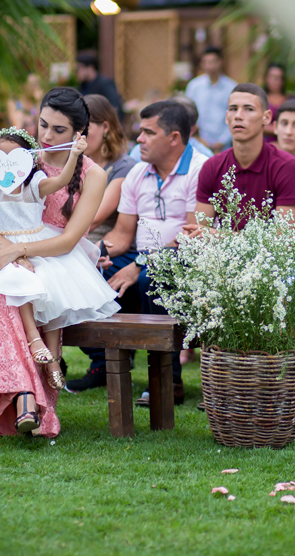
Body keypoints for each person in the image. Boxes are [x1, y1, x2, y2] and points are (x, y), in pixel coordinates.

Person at [0, 87, 108, 436]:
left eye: (59, 130)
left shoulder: (92, 173)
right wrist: (8, 249)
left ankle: (34, 399)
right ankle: (20, 397)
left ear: (78, 135)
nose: (46, 135)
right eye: (43, 125)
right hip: (14, 249)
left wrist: (19, 252)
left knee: (26, 295)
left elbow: (71, 238)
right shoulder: (19, 159)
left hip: (61, 258)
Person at [66, 100, 207, 400]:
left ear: (174, 138)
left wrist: (142, 264)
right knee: (82, 273)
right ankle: (104, 362)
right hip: (141, 256)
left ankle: (168, 380)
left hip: (186, 261)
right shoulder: (138, 173)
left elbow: (193, 236)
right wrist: (96, 253)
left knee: (149, 278)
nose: (139, 139)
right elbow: (122, 234)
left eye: (147, 132)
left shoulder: (200, 170)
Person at [195, 83, 295, 229]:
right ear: (227, 117)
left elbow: (282, 239)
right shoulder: (212, 166)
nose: (239, 116)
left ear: (266, 117)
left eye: (249, 109)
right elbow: (200, 232)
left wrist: (220, 237)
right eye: (233, 109)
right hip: (222, 251)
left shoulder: (286, 166)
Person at [83, 95, 136, 244]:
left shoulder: (124, 167)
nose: (80, 135)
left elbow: (93, 219)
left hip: (97, 246)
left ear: (105, 127)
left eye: (86, 127)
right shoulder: (73, 163)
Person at [185, 47, 237, 153]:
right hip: (198, 144)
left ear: (220, 62)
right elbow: (187, 114)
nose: (210, 66)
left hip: (225, 146)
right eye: (206, 62)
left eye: (213, 62)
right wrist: (198, 137)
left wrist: (222, 141)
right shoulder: (194, 86)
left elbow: (235, 116)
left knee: (227, 170)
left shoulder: (232, 88)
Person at [129, 95, 212, 161]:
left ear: (192, 129)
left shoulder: (204, 160)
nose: (140, 139)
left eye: (150, 133)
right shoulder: (140, 152)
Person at [76, 50, 123, 118]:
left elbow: (115, 107)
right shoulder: (82, 86)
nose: (76, 72)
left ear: (90, 68)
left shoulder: (105, 84)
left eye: (78, 69)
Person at [263, 63, 287, 141]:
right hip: (264, 143)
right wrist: (281, 130)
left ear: (282, 80)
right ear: (266, 78)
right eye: (272, 77)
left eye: (278, 78)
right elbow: (256, 125)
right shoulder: (260, 98)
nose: (274, 81)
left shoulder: (289, 100)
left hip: (286, 143)